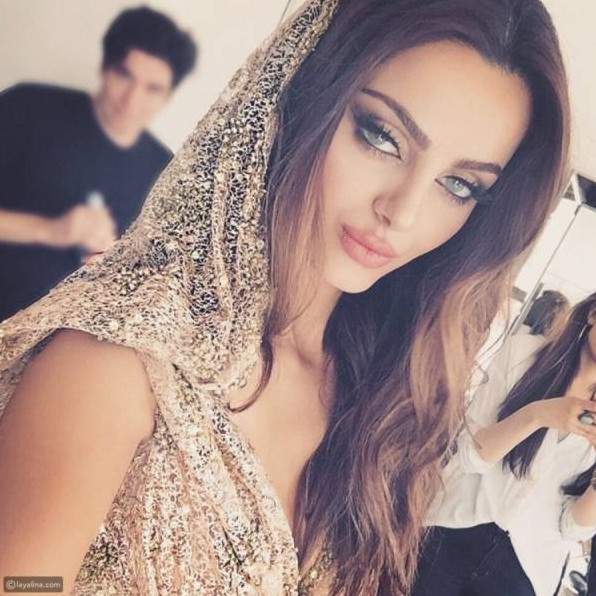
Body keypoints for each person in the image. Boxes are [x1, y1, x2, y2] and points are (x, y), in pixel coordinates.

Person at [0, 0, 570, 594]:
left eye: (459, 185)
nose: (402, 212)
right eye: (382, 136)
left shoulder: (383, 402)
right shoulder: (118, 364)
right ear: (301, 98)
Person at [0, 6, 197, 322]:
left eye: (153, 88)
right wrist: (49, 230)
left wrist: (114, 270)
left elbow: (152, 288)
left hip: (60, 340)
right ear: (105, 68)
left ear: (168, 97)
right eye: (125, 75)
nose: (132, 100)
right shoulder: (28, 107)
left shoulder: (167, 174)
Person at [413, 292, 596, 596]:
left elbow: (573, 528)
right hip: (456, 529)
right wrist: (538, 414)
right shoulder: (523, 354)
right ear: (592, 313)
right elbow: (469, 454)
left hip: (528, 568)